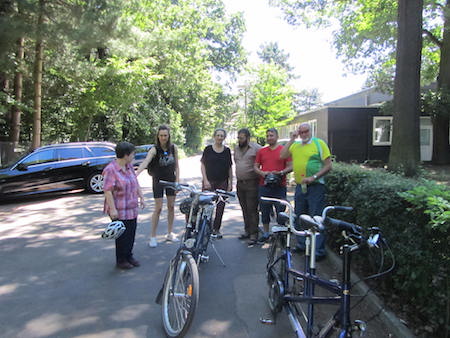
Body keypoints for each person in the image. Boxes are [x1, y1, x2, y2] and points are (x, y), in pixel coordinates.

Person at [280, 122, 332, 260]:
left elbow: (328, 166)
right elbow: (282, 155)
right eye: (301, 132)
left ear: (311, 131)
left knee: (316, 218)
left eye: (306, 131)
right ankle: (302, 245)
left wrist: (313, 177)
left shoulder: (319, 143)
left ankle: (318, 251)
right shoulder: (296, 145)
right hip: (300, 187)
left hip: (316, 186)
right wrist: (292, 138)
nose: (304, 134)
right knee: (299, 217)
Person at [103, 141, 145, 270]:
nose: (134, 156)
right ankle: (121, 260)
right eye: (132, 154)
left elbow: (135, 182)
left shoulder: (129, 167)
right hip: (119, 208)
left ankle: (129, 256)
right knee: (122, 235)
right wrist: (113, 209)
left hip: (131, 207)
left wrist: (141, 197)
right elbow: (107, 190)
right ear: (126, 155)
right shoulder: (111, 170)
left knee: (131, 233)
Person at [137, 125, 180, 248]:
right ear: (158, 136)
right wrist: (135, 174)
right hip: (158, 181)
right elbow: (146, 161)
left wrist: (177, 181)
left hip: (171, 180)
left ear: (169, 135)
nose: (163, 138)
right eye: (161, 135)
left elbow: (177, 166)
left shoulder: (173, 148)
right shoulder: (154, 149)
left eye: (165, 135)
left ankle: (170, 233)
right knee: (158, 208)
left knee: (171, 206)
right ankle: (153, 236)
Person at [254, 128, 292, 246]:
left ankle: (280, 234)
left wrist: (280, 173)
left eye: (271, 135)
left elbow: (291, 166)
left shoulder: (284, 150)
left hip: (279, 186)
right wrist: (263, 173)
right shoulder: (262, 151)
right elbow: (255, 166)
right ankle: (266, 233)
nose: (269, 137)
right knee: (264, 211)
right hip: (264, 185)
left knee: (280, 211)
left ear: (277, 136)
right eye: (268, 135)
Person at [201, 128, 233, 238]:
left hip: (222, 182)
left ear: (224, 137)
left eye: (222, 136)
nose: (219, 137)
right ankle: (205, 228)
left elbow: (229, 168)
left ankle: (216, 229)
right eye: (218, 135)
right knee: (206, 206)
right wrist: (205, 180)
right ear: (214, 136)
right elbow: (203, 165)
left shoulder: (227, 151)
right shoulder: (208, 149)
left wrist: (230, 183)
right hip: (209, 182)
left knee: (220, 206)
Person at [234, 128, 261, 244]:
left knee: (252, 209)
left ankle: (254, 234)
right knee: (244, 208)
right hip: (240, 184)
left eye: (242, 138)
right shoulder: (236, 149)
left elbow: (263, 161)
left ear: (248, 138)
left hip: (252, 183)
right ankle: (247, 231)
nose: (239, 140)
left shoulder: (257, 148)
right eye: (238, 137)